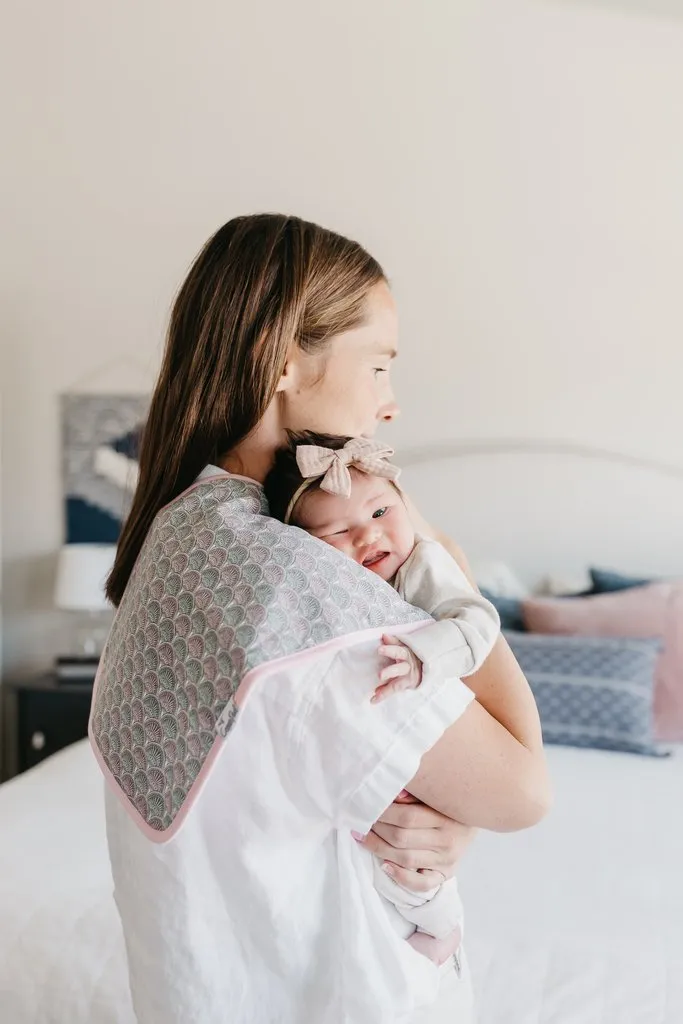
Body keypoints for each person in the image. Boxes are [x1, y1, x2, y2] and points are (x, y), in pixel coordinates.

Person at [93, 213, 551, 1024]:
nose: (389, 402)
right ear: (281, 360)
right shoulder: (291, 584)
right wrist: (445, 566)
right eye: (378, 365)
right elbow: (519, 790)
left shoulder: (178, 537)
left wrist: (446, 816)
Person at [264, 430, 501, 964]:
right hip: (368, 746)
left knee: (411, 858)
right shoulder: (328, 590)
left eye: (379, 513)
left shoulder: (423, 563)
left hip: (430, 739)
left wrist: (425, 655)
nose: (369, 539)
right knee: (366, 853)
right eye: (338, 532)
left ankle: (439, 922)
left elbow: (477, 621)